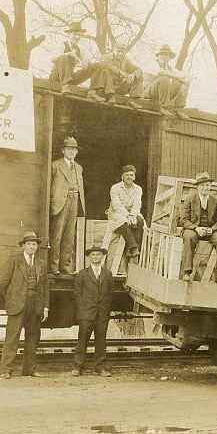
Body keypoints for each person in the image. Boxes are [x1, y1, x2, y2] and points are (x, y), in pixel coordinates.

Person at [0, 232, 50, 379]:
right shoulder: (15, 261)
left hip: (35, 305)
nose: (32, 247)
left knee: (33, 338)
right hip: (17, 305)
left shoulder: (41, 263)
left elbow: (45, 287)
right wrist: (11, 299)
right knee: (12, 338)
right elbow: (2, 283)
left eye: (34, 244)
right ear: (23, 246)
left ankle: (29, 370)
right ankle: (6, 370)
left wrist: (45, 307)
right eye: (29, 244)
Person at [71, 244, 114, 378]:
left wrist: (105, 309)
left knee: (101, 341)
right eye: (93, 255)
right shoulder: (83, 273)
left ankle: (100, 367)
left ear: (102, 257)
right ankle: (78, 367)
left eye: (98, 255)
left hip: (101, 314)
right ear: (89, 257)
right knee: (82, 340)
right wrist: (82, 308)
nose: (96, 257)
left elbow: (110, 293)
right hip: (86, 314)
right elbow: (77, 293)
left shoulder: (108, 273)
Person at [180, 172, 217, 283]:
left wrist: (212, 229)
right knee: (189, 237)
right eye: (202, 185)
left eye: (207, 185)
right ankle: (187, 272)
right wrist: (196, 228)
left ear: (210, 186)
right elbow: (183, 220)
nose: (205, 188)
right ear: (197, 187)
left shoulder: (216, 202)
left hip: (210, 230)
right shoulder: (190, 200)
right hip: (193, 229)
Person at [49, 137, 86, 274]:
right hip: (60, 203)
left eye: (74, 149)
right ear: (63, 150)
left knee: (69, 236)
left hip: (74, 201)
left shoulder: (79, 168)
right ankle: (54, 267)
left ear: (76, 152)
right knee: (57, 235)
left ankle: (66, 267)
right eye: (69, 149)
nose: (71, 151)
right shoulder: (55, 165)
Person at [104, 165, 145, 260]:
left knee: (140, 220)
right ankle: (133, 247)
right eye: (126, 175)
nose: (129, 177)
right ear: (122, 176)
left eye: (131, 175)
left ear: (134, 177)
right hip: (116, 212)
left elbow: (137, 204)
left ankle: (133, 249)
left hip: (132, 213)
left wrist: (133, 215)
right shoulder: (115, 187)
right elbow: (116, 205)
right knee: (123, 221)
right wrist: (128, 215)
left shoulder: (138, 189)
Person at [144, 44, 190, 109]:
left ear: (170, 57)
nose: (163, 57)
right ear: (158, 55)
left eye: (166, 55)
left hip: (161, 94)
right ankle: (163, 107)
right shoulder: (153, 63)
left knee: (180, 82)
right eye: (161, 54)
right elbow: (161, 72)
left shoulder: (169, 68)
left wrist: (185, 82)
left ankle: (178, 108)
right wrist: (179, 78)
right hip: (147, 93)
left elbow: (182, 75)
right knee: (164, 78)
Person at [48, 21, 86, 90]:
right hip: (57, 76)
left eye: (79, 35)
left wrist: (85, 62)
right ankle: (64, 85)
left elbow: (85, 61)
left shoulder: (80, 49)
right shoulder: (62, 45)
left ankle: (93, 91)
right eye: (74, 34)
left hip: (70, 77)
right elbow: (52, 58)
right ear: (69, 34)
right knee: (64, 57)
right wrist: (69, 54)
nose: (77, 37)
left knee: (93, 66)